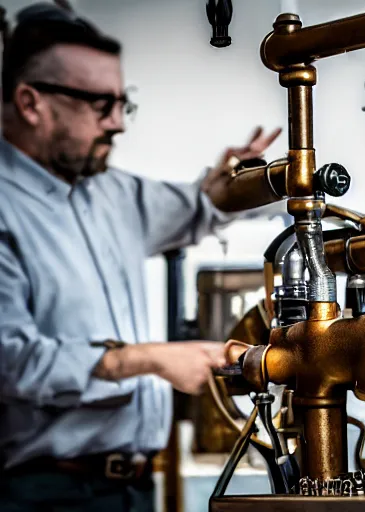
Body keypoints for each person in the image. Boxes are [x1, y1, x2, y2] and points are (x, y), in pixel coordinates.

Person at [0, 3, 282, 511]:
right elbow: (12, 360)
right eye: (98, 105)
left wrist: (235, 184)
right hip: (44, 493)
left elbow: (197, 207)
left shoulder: (111, 193)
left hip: (131, 489)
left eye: (121, 104)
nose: (117, 124)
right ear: (30, 102)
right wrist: (144, 358)